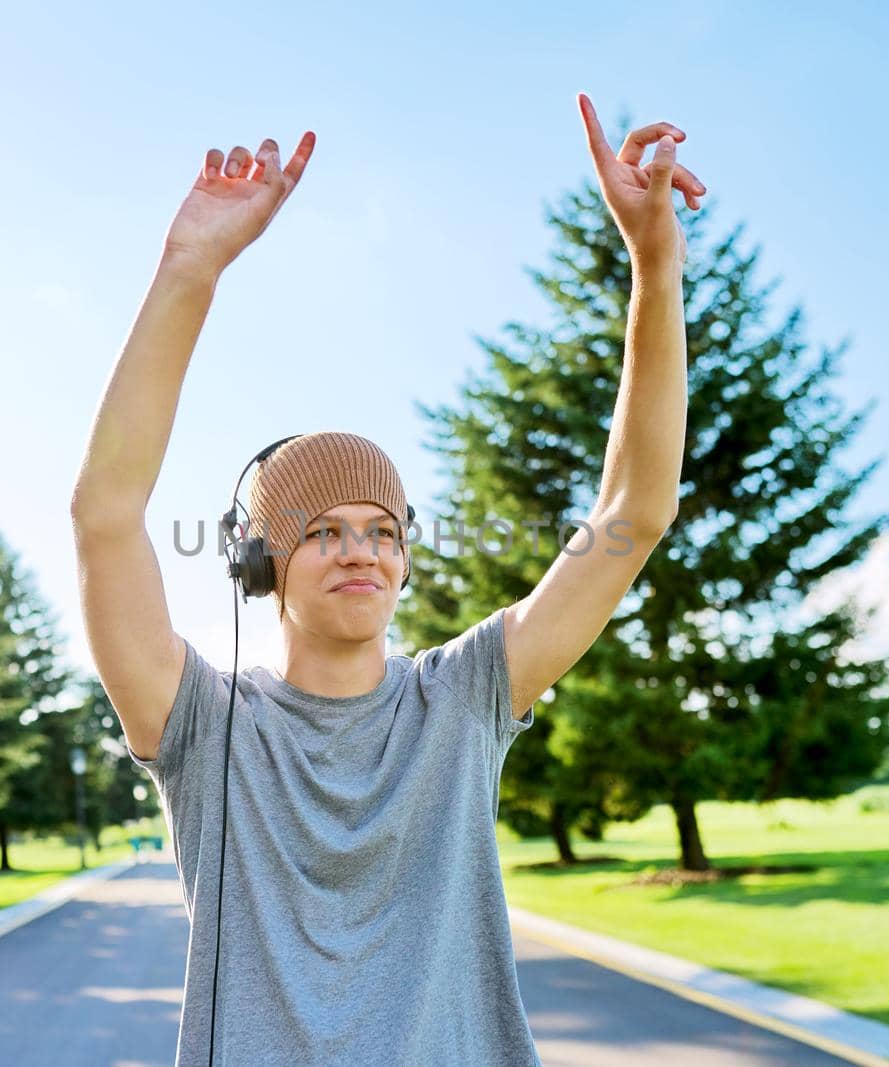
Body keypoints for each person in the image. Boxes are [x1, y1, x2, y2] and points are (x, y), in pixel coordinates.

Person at [70, 92, 702, 1067]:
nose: (359, 549)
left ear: (405, 556)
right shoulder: (200, 723)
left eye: (380, 530)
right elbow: (103, 516)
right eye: (321, 530)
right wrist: (189, 268)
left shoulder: (465, 696)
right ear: (258, 563)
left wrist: (654, 266)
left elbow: (634, 513)